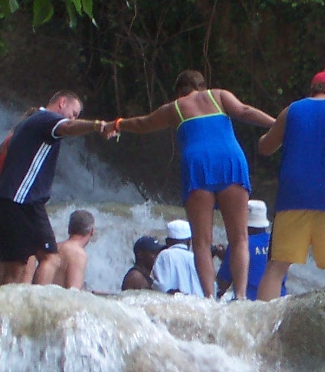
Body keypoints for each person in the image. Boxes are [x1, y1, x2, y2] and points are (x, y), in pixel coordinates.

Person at [106, 69, 275, 298]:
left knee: (202, 242)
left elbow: (142, 123)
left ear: (179, 92)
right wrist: (277, 125)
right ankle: (242, 296)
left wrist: (117, 124)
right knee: (239, 238)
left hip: (198, 165)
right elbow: (245, 111)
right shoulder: (219, 95)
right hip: (230, 161)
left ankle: (208, 298)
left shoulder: (175, 108)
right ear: (202, 86)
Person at [256, 71, 325, 299]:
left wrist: (262, 138)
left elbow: (265, 147)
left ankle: (261, 325)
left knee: (276, 268)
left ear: (312, 89)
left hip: (293, 198)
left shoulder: (291, 111)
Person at [0, 90, 109, 286]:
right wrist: (97, 125)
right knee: (31, 265)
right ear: (62, 103)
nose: (73, 117)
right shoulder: (47, 119)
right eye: (74, 112)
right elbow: (68, 127)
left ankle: (25, 304)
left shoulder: (28, 123)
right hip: (21, 201)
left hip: (12, 201)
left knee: (34, 262)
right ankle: (30, 305)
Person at [216, 200, 284, 300]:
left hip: (249, 305)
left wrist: (229, 259)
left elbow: (222, 284)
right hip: (279, 303)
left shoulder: (237, 246)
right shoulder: (278, 243)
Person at [152, 220, 203, 296]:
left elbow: (161, 286)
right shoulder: (196, 257)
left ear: (167, 241)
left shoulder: (165, 254)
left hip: (174, 303)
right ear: (189, 241)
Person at [49, 209, 95, 290]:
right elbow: (73, 293)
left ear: (69, 229)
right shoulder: (78, 255)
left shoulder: (56, 247)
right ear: (91, 231)